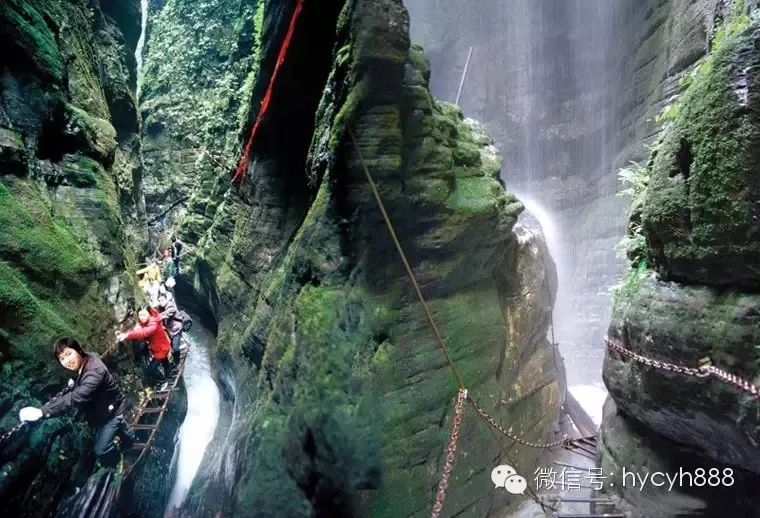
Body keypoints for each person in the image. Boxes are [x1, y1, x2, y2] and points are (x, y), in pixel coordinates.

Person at [20, 338, 136, 467]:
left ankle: (117, 462)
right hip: (108, 406)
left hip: (113, 411)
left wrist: (43, 412)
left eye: (69, 354)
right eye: (62, 358)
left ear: (78, 350)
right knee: (118, 426)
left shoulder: (94, 371)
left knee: (100, 449)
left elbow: (78, 396)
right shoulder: (87, 360)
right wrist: (76, 382)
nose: (67, 361)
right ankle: (130, 438)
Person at [118, 307, 172, 389]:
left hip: (161, 349)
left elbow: (145, 332)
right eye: (140, 315)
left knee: (150, 369)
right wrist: (135, 329)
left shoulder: (153, 323)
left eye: (144, 314)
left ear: (149, 315)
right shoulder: (147, 322)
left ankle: (162, 381)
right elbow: (141, 327)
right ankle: (169, 375)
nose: (141, 317)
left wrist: (127, 335)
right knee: (165, 362)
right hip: (160, 347)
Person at [157, 293, 183, 366]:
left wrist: (156, 318)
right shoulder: (160, 307)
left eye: (162, 300)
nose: (161, 302)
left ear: (166, 299)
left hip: (177, 330)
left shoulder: (170, 306)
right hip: (170, 331)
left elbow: (166, 314)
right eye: (159, 300)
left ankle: (177, 362)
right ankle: (174, 360)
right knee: (172, 347)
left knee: (175, 348)